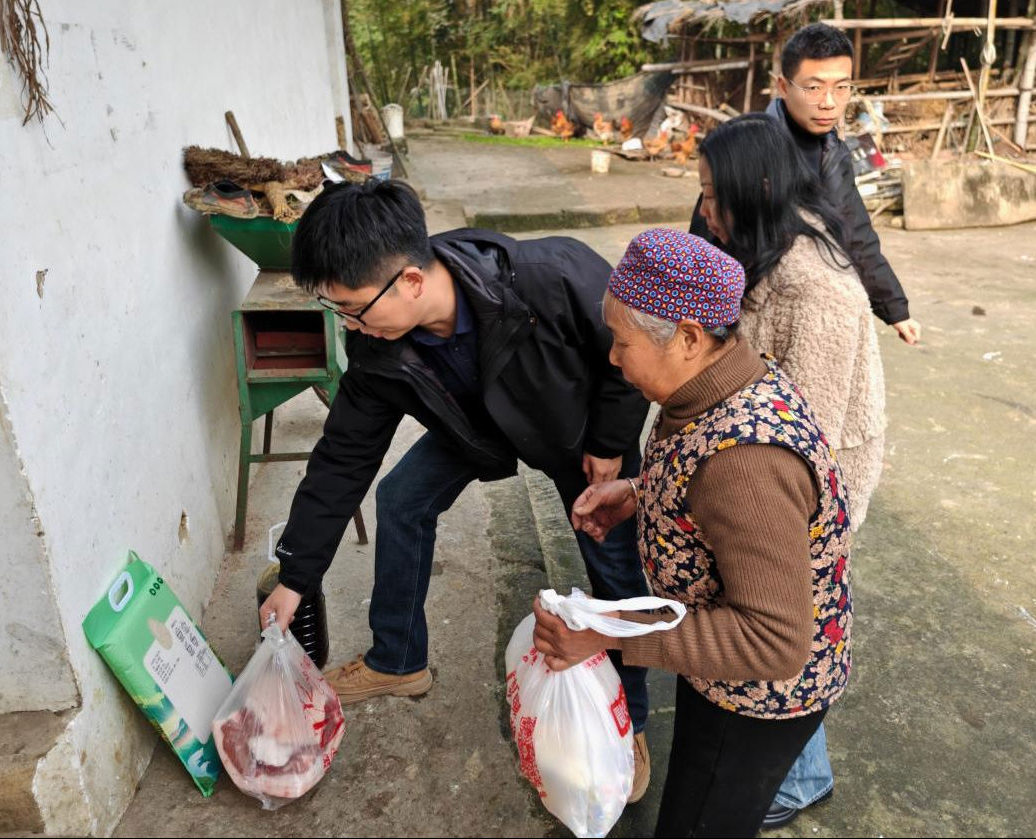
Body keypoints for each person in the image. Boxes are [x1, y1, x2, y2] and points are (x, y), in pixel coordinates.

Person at [256, 178, 655, 801]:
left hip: (576, 431)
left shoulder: (551, 274)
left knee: (613, 560)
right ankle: (398, 661)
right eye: (338, 312)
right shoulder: (377, 347)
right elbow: (342, 459)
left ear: (411, 281)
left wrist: (609, 442)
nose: (351, 326)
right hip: (478, 431)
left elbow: (629, 356)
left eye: (355, 308)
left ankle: (629, 720)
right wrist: (295, 577)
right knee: (402, 497)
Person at [533, 228, 852, 838]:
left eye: (622, 342)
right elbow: (703, 486)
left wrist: (606, 634)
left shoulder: (746, 462)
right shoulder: (719, 383)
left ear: (686, 337)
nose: (613, 358)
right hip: (723, 671)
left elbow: (773, 641)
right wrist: (641, 494)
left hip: (758, 695)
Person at [696, 112, 887, 828]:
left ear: (755, 189)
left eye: (715, 194)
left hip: (817, 478)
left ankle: (801, 775)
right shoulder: (761, 246)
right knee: (778, 619)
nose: (705, 211)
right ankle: (794, 763)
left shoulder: (818, 291)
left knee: (788, 627)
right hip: (779, 465)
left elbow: (800, 432)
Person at [690, 21, 922, 346]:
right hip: (746, 318)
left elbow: (856, 232)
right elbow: (707, 238)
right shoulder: (748, 150)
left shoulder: (834, 151)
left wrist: (895, 307)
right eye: (814, 88)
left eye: (841, 87)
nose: (829, 102)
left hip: (810, 320)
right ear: (783, 87)